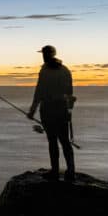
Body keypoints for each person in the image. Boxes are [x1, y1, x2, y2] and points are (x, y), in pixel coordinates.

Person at [26, 44, 76, 181]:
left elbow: (39, 91)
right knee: (65, 141)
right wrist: (69, 111)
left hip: (48, 109)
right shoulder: (65, 70)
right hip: (62, 109)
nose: (43, 56)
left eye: (44, 54)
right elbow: (70, 93)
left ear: (48, 55)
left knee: (53, 141)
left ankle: (55, 171)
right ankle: (71, 171)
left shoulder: (45, 71)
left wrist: (32, 110)